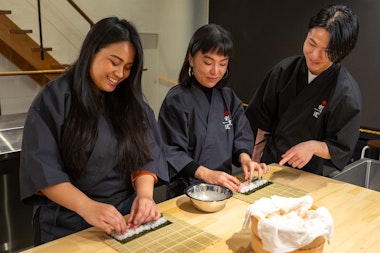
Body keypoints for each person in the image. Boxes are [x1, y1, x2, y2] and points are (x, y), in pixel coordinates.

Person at [19, 17, 168, 245]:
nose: (120, 74)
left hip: (125, 217)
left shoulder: (130, 101)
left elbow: (147, 154)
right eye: (114, 62)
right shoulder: (55, 98)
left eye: (128, 68)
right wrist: (87, 207)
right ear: (92, 51)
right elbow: (43, 170)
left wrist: (145, 196)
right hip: (67, 221)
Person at [245, 4, 361, 175]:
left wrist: (313, 146)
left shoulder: (345, 92)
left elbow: (341, 146)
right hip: (268, 165)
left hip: (308, 175)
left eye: (326, 51)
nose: (314, 55)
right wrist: (255, 158)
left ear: (341, 52)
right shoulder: (284, 70)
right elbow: (262, 119)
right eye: (311, 43)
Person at [158, 24, 267, 199]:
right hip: (186, 191)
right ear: (191, 59)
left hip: (224, 186)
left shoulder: (228, 97)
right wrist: (207, 175)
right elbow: (170, 150)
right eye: (208, 63)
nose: (215, 71)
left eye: (223, 64)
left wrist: (246, 159)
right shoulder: (177, 100)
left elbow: (241, 134)